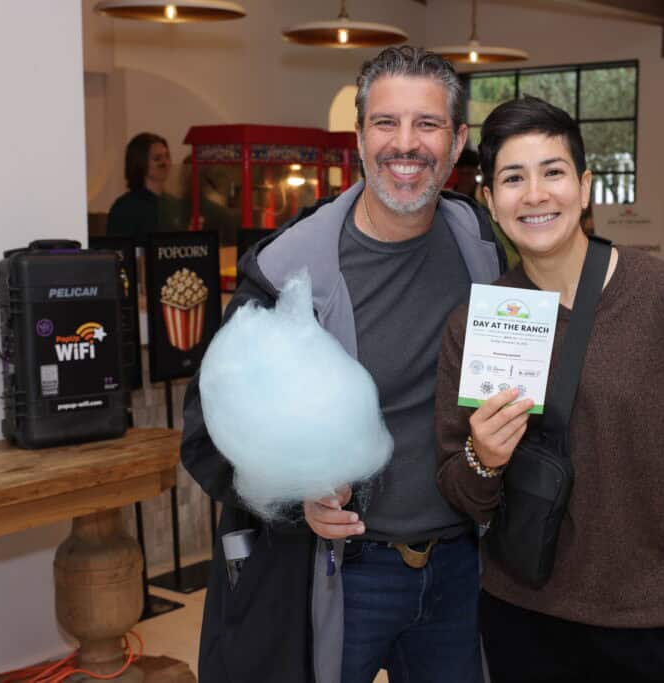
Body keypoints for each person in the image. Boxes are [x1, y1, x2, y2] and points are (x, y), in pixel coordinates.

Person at [181, 46, 505, 683]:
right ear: (358, 136)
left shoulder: (482, 244)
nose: (405, 144)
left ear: (459, 139)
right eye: (385, 123)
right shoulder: (287, 271)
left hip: (461, 567)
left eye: (428, 124)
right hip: (340, 575)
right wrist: (294, 494)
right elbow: (205, 432)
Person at [435, 96, 664, 682]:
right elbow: (460, 490)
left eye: (553, 172)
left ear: (584, 187)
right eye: (513, 178)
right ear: (490, 201)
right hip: (526, 618)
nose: (535, 194)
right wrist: (483, 458)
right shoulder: (480, 325)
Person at [106, 132, 187, 239]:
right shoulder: (125, 207)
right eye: (157, 158)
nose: (165, 163)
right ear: (140, 162)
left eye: (167, 156)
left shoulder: (175, 204)